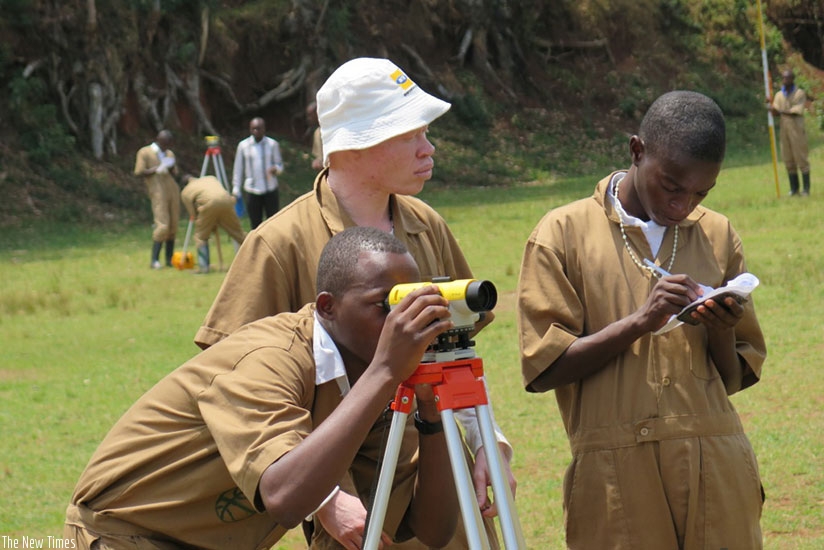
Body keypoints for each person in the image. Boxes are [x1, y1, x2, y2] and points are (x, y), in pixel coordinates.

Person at [195, 57, 514, 548]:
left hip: (443, 490)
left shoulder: (426, 225)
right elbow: (234, 388)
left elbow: (455, 355)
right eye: (411, 135)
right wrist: (325, 501)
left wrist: (488, 445)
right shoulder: (277, 245)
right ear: (356, 144)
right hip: (360, 511)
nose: (428, 149)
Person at [65, 226, 459, 549]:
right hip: (125, 534)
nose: (401, 322)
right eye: (384, 305)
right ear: (327, 307)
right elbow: (285, 497)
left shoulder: (373, 379)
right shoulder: (268, 358)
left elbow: (433, 529)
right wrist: (386, 370)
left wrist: (430, 411)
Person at [517, 91, 767, 549]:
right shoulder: (562, 234)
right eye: (672, 187)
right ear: (637, 151)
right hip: (615, 473)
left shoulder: (716, 233)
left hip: (715, 460)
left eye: (701, 193)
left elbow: (728, 382)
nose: (683, 205)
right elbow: (544, 368)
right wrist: (640, 321)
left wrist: (720, 330)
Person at [180, 174, 247, 274]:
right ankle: (256, 256)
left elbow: (193, 214)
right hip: (226, 200)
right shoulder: (210, 178)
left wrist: (206, 224)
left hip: (208, 204)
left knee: (201, 237)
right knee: (238, 234)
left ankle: (204, 267)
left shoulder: (185, 192)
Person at [134, 129, 180, 269]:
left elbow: (175, 173)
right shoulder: (145, 152)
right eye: (164, 143)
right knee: (162, 224)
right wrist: (156, 169)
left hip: (171, 190)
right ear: (158, 140)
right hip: (157, 191)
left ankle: (169, 259)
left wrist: (170, 166)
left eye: (168, 144)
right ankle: (154, 260)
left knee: (173, 225)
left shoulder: (169, 153)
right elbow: (139, 172)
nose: (166, 146)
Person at [231, 117, 284, 229]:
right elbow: (238, 168)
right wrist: (236, 188)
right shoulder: (243, 146)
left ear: (264, 129)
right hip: (252, 189)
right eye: (253, 129)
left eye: (259, 129)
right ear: (250, 129)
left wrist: (276, 169)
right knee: (255, 225)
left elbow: (280, 165)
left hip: (270, 188)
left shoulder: (272, 144)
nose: (256, 131)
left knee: (274, 223)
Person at [771, 69, 811, 196]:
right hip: (784, 131)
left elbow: (795, 111)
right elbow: (776, 112)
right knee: (788, 159)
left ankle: (806, 189)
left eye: (787, 78)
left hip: (797, 131)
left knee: (801, 158)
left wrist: (779, 110)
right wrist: (770, 107)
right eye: (783, 78)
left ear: (792, 79)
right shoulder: (779, 95)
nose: (785, 81)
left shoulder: (799, 94)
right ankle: (794, 189)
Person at [307, 100, 324, 171]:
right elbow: (316, 156)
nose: (308, 118)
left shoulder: (329, 131)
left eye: (310, 115)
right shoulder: (317, 132)